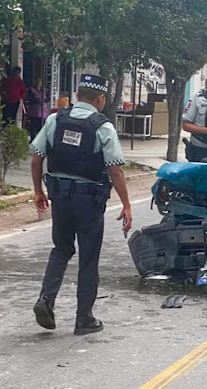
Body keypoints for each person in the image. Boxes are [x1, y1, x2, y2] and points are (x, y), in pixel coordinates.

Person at [30, 74, 133, 335]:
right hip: (89, 201)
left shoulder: (56, 119)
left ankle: (46, 300)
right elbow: (116, 171)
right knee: (88, 258)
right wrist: (126, 205)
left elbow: (36, 157)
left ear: (77, 97)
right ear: (100, 100)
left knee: (61, 249)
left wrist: (37, 191)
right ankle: (84, 318)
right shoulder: (103, 127)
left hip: (60, 198)